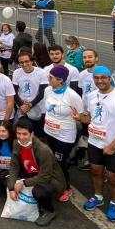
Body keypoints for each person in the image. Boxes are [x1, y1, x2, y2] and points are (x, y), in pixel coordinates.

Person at [80, 65, 115, 222]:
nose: (100, 80)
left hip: (114, 146)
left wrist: (112, 146)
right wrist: (79, 118)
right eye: (96, 78)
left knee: (113, 177)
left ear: (110, 78)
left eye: (103, 77)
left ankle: (114, 203)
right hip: (94, 142)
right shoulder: (91, 96)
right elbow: (90, 118)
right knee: (95, 171)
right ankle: (98, 196)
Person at [7, 120, 65, 226]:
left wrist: (23, 183)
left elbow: (45, 176)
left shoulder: (44, 150)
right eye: (18, 133)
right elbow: (14, 165)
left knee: (38, 192)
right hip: (30, 172)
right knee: (5, 178)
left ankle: (49, 211)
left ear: (32, 134)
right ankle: (33, 202)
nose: (21, 137)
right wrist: (11, 188)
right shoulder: (16, 143)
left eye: (25, 134)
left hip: (51, 179)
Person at [42, 65, 82, 202]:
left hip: (64, 135)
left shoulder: (72, 96)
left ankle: (66, 188)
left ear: (61, 80)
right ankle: (54, 181)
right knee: (51, 159)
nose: (48, 79)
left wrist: (79, 119)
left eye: (51, 77)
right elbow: (47, 109)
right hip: (49, 131)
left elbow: (81, 115)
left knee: (60, 162)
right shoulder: (48, 90)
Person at [11, 51, 48, 135]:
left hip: (38, 107)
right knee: (22, 132)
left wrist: (30, 105)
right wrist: (21, 105)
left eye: (27, 61)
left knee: (39, 134)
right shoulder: (17, 72)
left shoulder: (41, 72)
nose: (24, 64)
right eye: (21, 62)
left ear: (32, 61)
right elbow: (14, 91)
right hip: (22, 108)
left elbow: (42, 92)